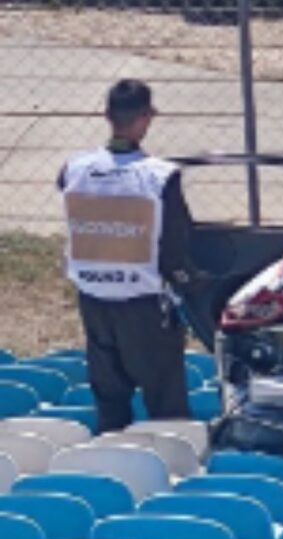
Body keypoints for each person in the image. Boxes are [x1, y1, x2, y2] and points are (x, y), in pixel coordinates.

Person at [58, 78, 194, 433]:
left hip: (93, 301)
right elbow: (177, 244)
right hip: (145, 306)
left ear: (108, 116)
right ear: (145, 117)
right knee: (166, 405)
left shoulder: (73, 169)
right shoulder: (160, 177)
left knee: (110, 401)